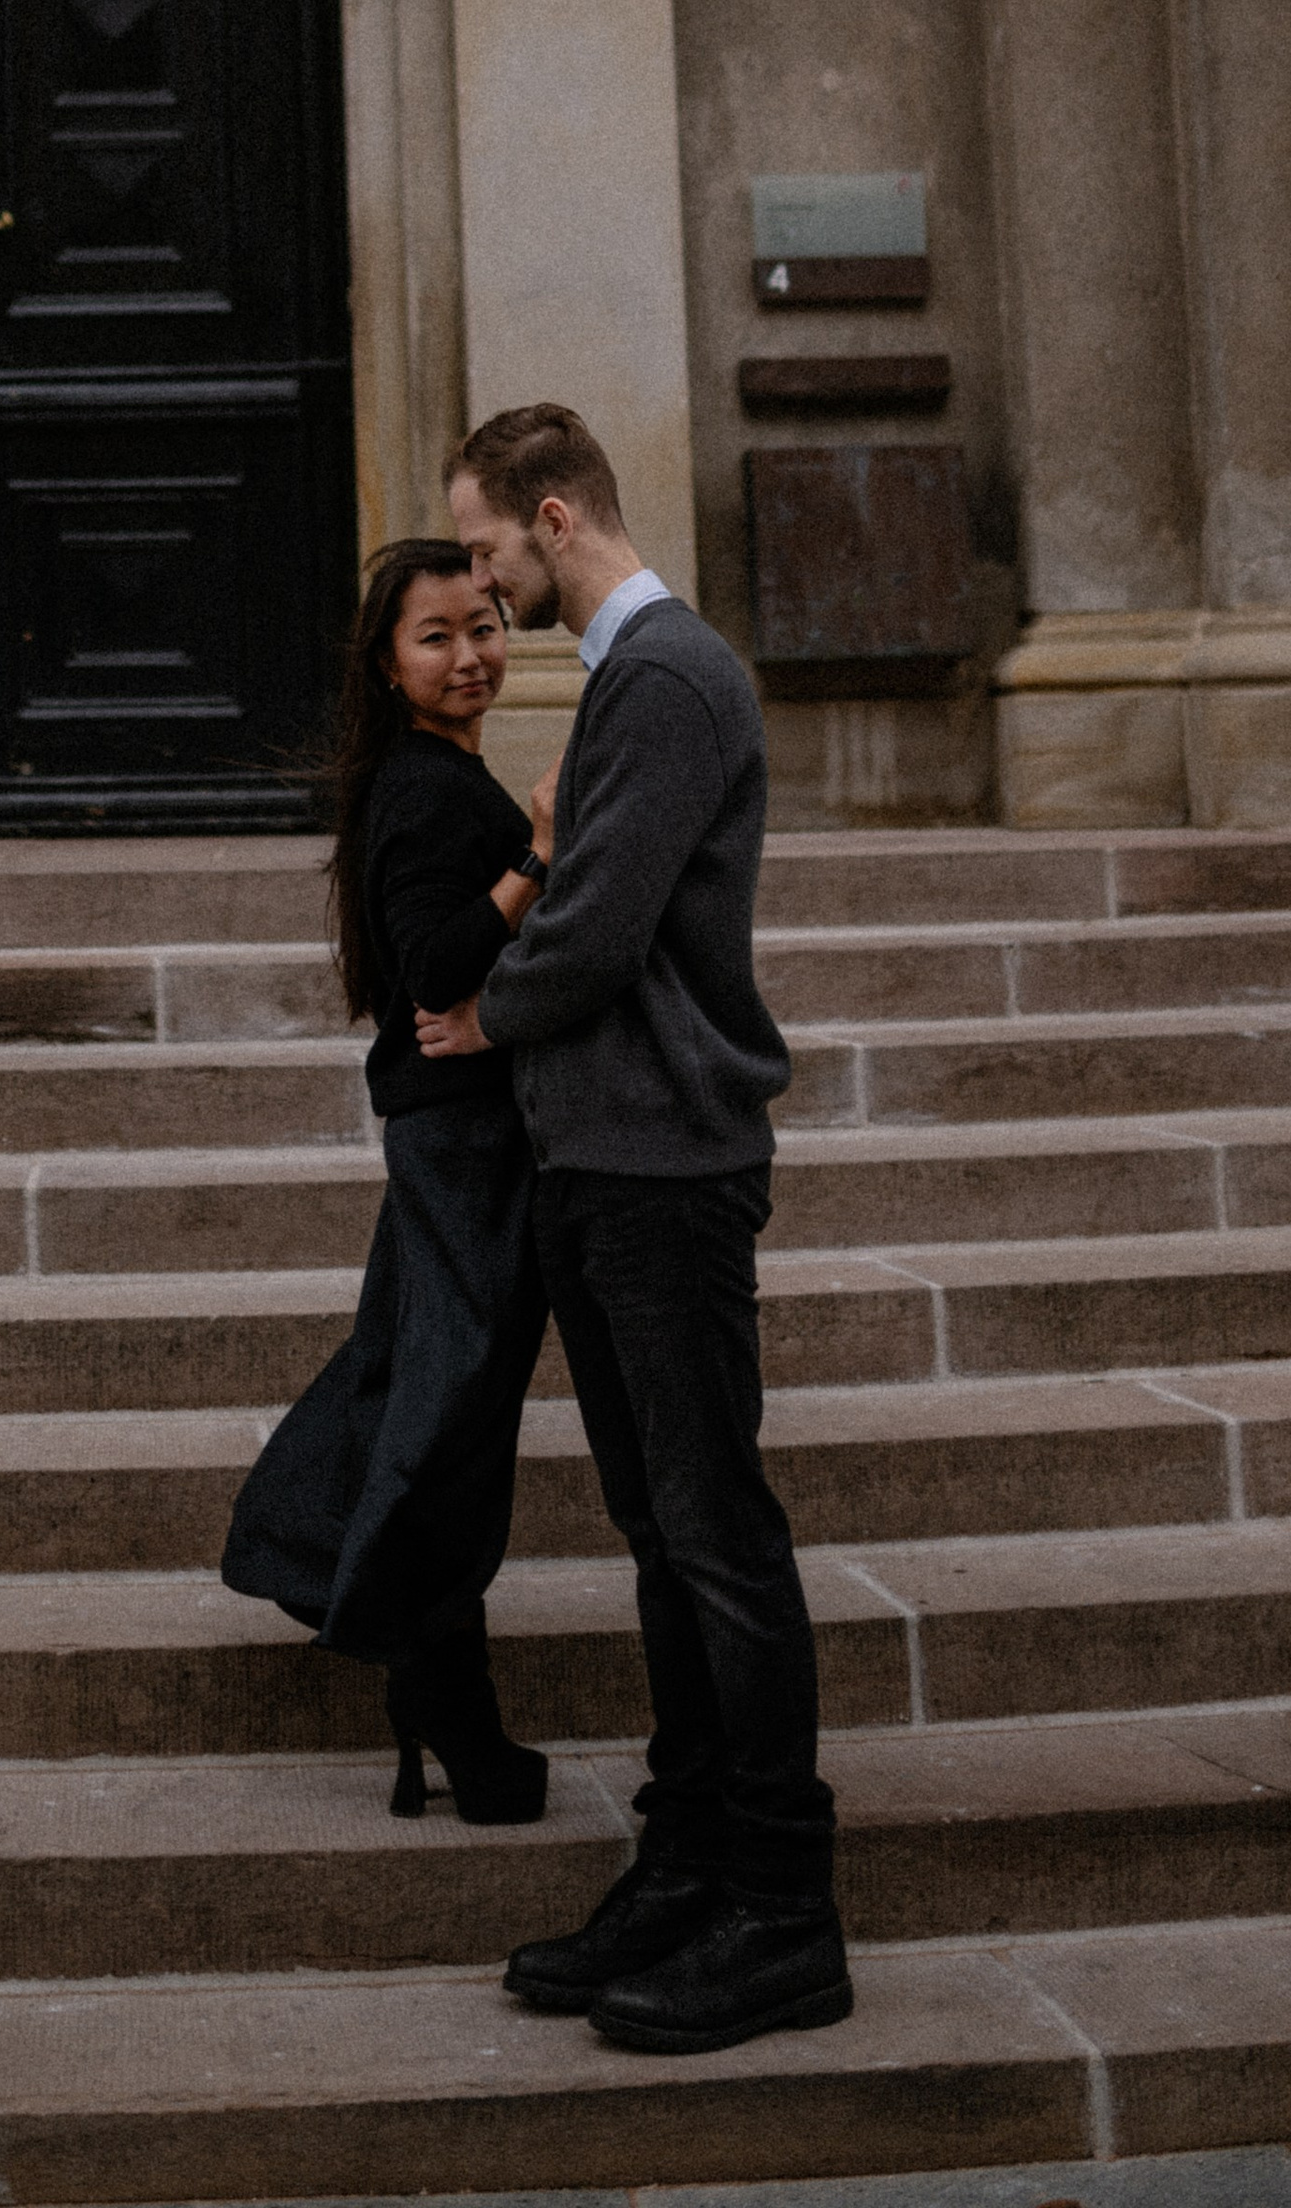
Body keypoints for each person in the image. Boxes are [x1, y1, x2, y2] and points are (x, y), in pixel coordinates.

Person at [416, 398, 848, 2056]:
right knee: (666, 1532)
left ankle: (781, 1907)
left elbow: (597, 924)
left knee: (714, 1528)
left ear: (553, 513)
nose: (479, 575)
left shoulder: (668, 671)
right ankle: (687, 1864)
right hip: (606, 1153)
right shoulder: (630, 681)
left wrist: (477, 1008)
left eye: (485, 545)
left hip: (666, 1161)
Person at [221, 537, 560, 1822]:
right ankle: (435, 1685)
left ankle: (388, 1631)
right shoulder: (429, 791)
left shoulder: (417, 775)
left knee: (411, 1384)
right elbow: (431, 963)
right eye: (437, 636)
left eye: (484, 625)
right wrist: (534, 853)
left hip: (452, 1135)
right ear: (385, 659)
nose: (471, 653)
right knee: (446, 1416)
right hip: (464, 1141)